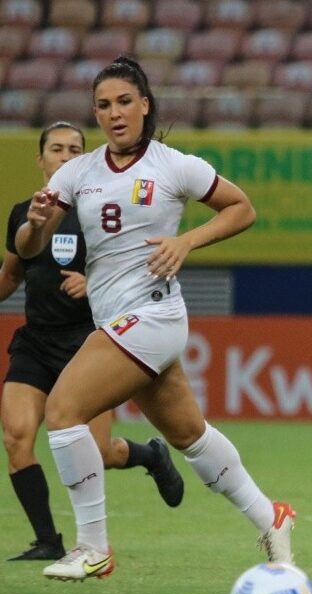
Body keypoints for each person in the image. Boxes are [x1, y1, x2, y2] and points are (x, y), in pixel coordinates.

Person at [17, 56, 295, 581]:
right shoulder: (79, 172)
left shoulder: (174, 165)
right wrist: (33, 225)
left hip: (155, 316)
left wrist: (186, 240)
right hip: (119, 321)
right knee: (190, 435)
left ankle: (92, 548)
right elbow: (28, 244)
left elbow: (242, 208)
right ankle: (271, 517)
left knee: (63, 410)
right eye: (103, 105)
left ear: (145, 105)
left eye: (125, 102)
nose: (115, 114)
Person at [2, 121, 185, 562]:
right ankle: (47, 540)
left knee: (100, 452)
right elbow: (11, 274)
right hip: (36, 342)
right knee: (16, 436)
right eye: (57, 149)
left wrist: (93, 281)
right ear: (41, 159)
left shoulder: (100, 208)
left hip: (90, 341)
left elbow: (133, 266)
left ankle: (151, 456)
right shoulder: (24, 213)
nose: (65, 157)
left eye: (74, 150)